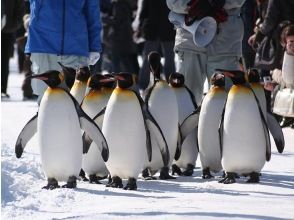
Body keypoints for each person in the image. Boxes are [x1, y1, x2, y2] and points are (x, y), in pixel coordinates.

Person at [166, 0, 245, 104]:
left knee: (225, 105)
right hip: (191, 42)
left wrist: (213, 2)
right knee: (185, 103)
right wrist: (192, 3)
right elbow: (172, 2)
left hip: (224, 44)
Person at [25, 0, 102, 104]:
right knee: (46, 103)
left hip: (75, 49)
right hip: (43, 45)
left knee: (76, 103)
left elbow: (92, 12)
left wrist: (94, 47)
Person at [138, 0, 176, 90]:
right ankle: (171, 83)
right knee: (169, 58)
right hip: (168, 28)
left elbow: (144, 12)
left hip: (152, 28)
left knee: (147, 59)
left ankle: (143, 85)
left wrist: (142, 25)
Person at [1, 0, 24, 98]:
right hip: (7, 28)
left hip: (6, 30)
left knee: (4, 60)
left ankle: (2, 88)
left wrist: (13, 25)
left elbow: (20, 8)